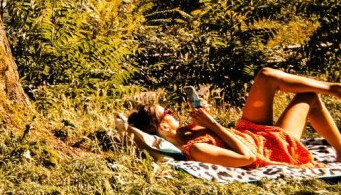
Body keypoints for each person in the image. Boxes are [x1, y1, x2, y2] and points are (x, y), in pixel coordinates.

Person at [127, 68, 341, 169]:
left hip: (251, 131)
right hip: (269, 145)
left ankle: (334, 89)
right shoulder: (196, 150)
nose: (173, 112)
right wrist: (213, 125)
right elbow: (247, 157)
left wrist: (203, 117)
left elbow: (201, 132)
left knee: (266, 76)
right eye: (169, 112)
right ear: (164, 127)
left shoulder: (184, 132)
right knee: (309, 97)